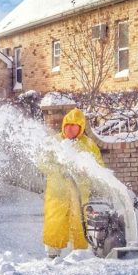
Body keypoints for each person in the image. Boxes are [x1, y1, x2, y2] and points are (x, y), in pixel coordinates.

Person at [43, 108, 104, 259]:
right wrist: (59, 170)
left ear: (81, 127)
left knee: (80, 223)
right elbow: (43, 163)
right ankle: (52, 254)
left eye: (74, 125)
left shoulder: (89, 144)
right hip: (57, 193)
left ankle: (79, 254)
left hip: (80, 194)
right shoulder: (55, 142)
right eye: (67, 125)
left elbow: (99, 166)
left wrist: (87, 170)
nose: (69, 128)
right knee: (55, 222)